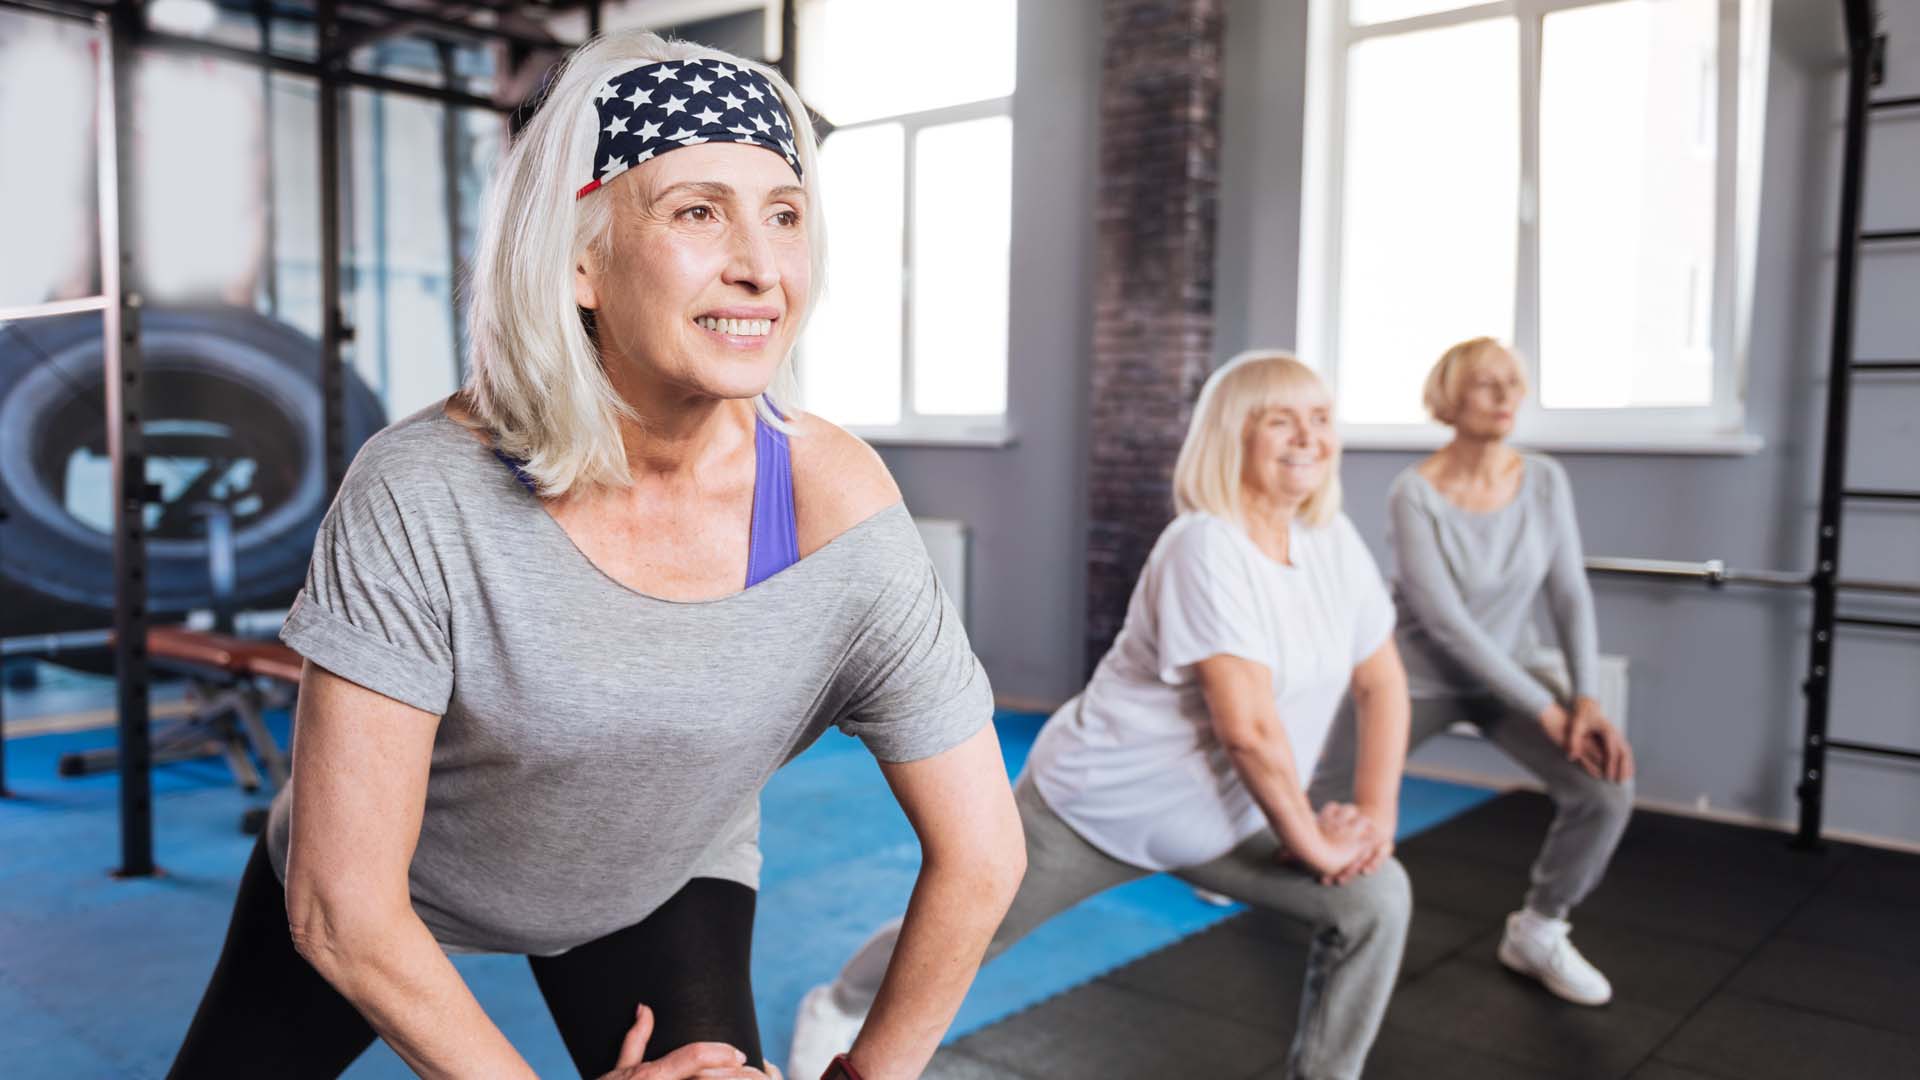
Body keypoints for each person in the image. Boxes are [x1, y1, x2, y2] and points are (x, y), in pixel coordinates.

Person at [166, 31, 1026, 1080]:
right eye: (698, 211)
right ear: (580, 259)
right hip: (392, 891)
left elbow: (983, 855)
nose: (761, 266)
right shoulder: (423, 490)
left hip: (655, 882)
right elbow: (345, 911)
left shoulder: (832, 509)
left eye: (785, 214)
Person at [789, 351, 1414, 1080]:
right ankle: (837, 1002)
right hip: (1099, 806)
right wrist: (1313, 843)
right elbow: (1248, 728)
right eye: (1281, 420)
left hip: (1231, 820)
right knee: (962, 936)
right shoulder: (1205, 546)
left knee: (1375, 900)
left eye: (1320, 419)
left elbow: (1383, 682)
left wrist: (1374, 820)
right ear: (1232, 436)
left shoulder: (1330, 542)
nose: (1308, 438)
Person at [1316, 335, 1634, 1006]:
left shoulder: (1544, 480)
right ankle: (1243, 863)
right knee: (1323, 790)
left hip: (1511, 678)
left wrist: (1586, 702)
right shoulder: (1415, 493)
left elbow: (1569, 593)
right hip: (1417, 678)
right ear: (1450, 397)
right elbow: (1446, 625)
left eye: (1514, 384)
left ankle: (1539, 930)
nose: (1506, 397)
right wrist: (1548, 710)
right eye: (1489, 384)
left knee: (1604, 790)